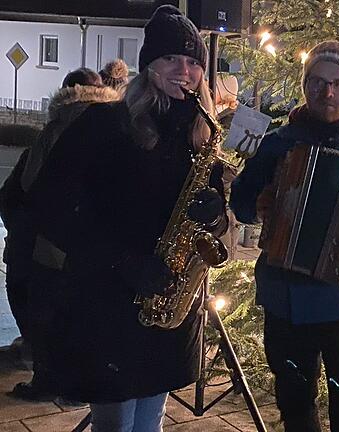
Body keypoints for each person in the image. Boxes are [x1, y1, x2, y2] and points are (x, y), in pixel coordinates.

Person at [22, 5, 229, 430]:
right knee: (114, 422)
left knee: (149, 419)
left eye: (193, 62)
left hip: (165, 302)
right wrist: (121, 260)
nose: (184, 71)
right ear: (148, 65)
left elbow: (215, 216)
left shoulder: (200, 133)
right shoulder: (103, 124)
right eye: (171, 58)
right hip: (108, 299)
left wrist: (215, 214)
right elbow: (50, 206)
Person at [230, 40, 339, 432]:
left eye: (338, 83)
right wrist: (258, 204)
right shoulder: (280, 143)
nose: (327, 92)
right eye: (317, 82)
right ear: (305, 84)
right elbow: (241, 204)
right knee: (296, 411)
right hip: (286, 301)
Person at [0, 67, 120, 402]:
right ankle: (79, 383)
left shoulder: (59, 127)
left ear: (67, 90)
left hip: (46, 244)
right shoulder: (119, 125)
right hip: (94, 246)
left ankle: (48, 381)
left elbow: (29, 185)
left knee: (40, 312)